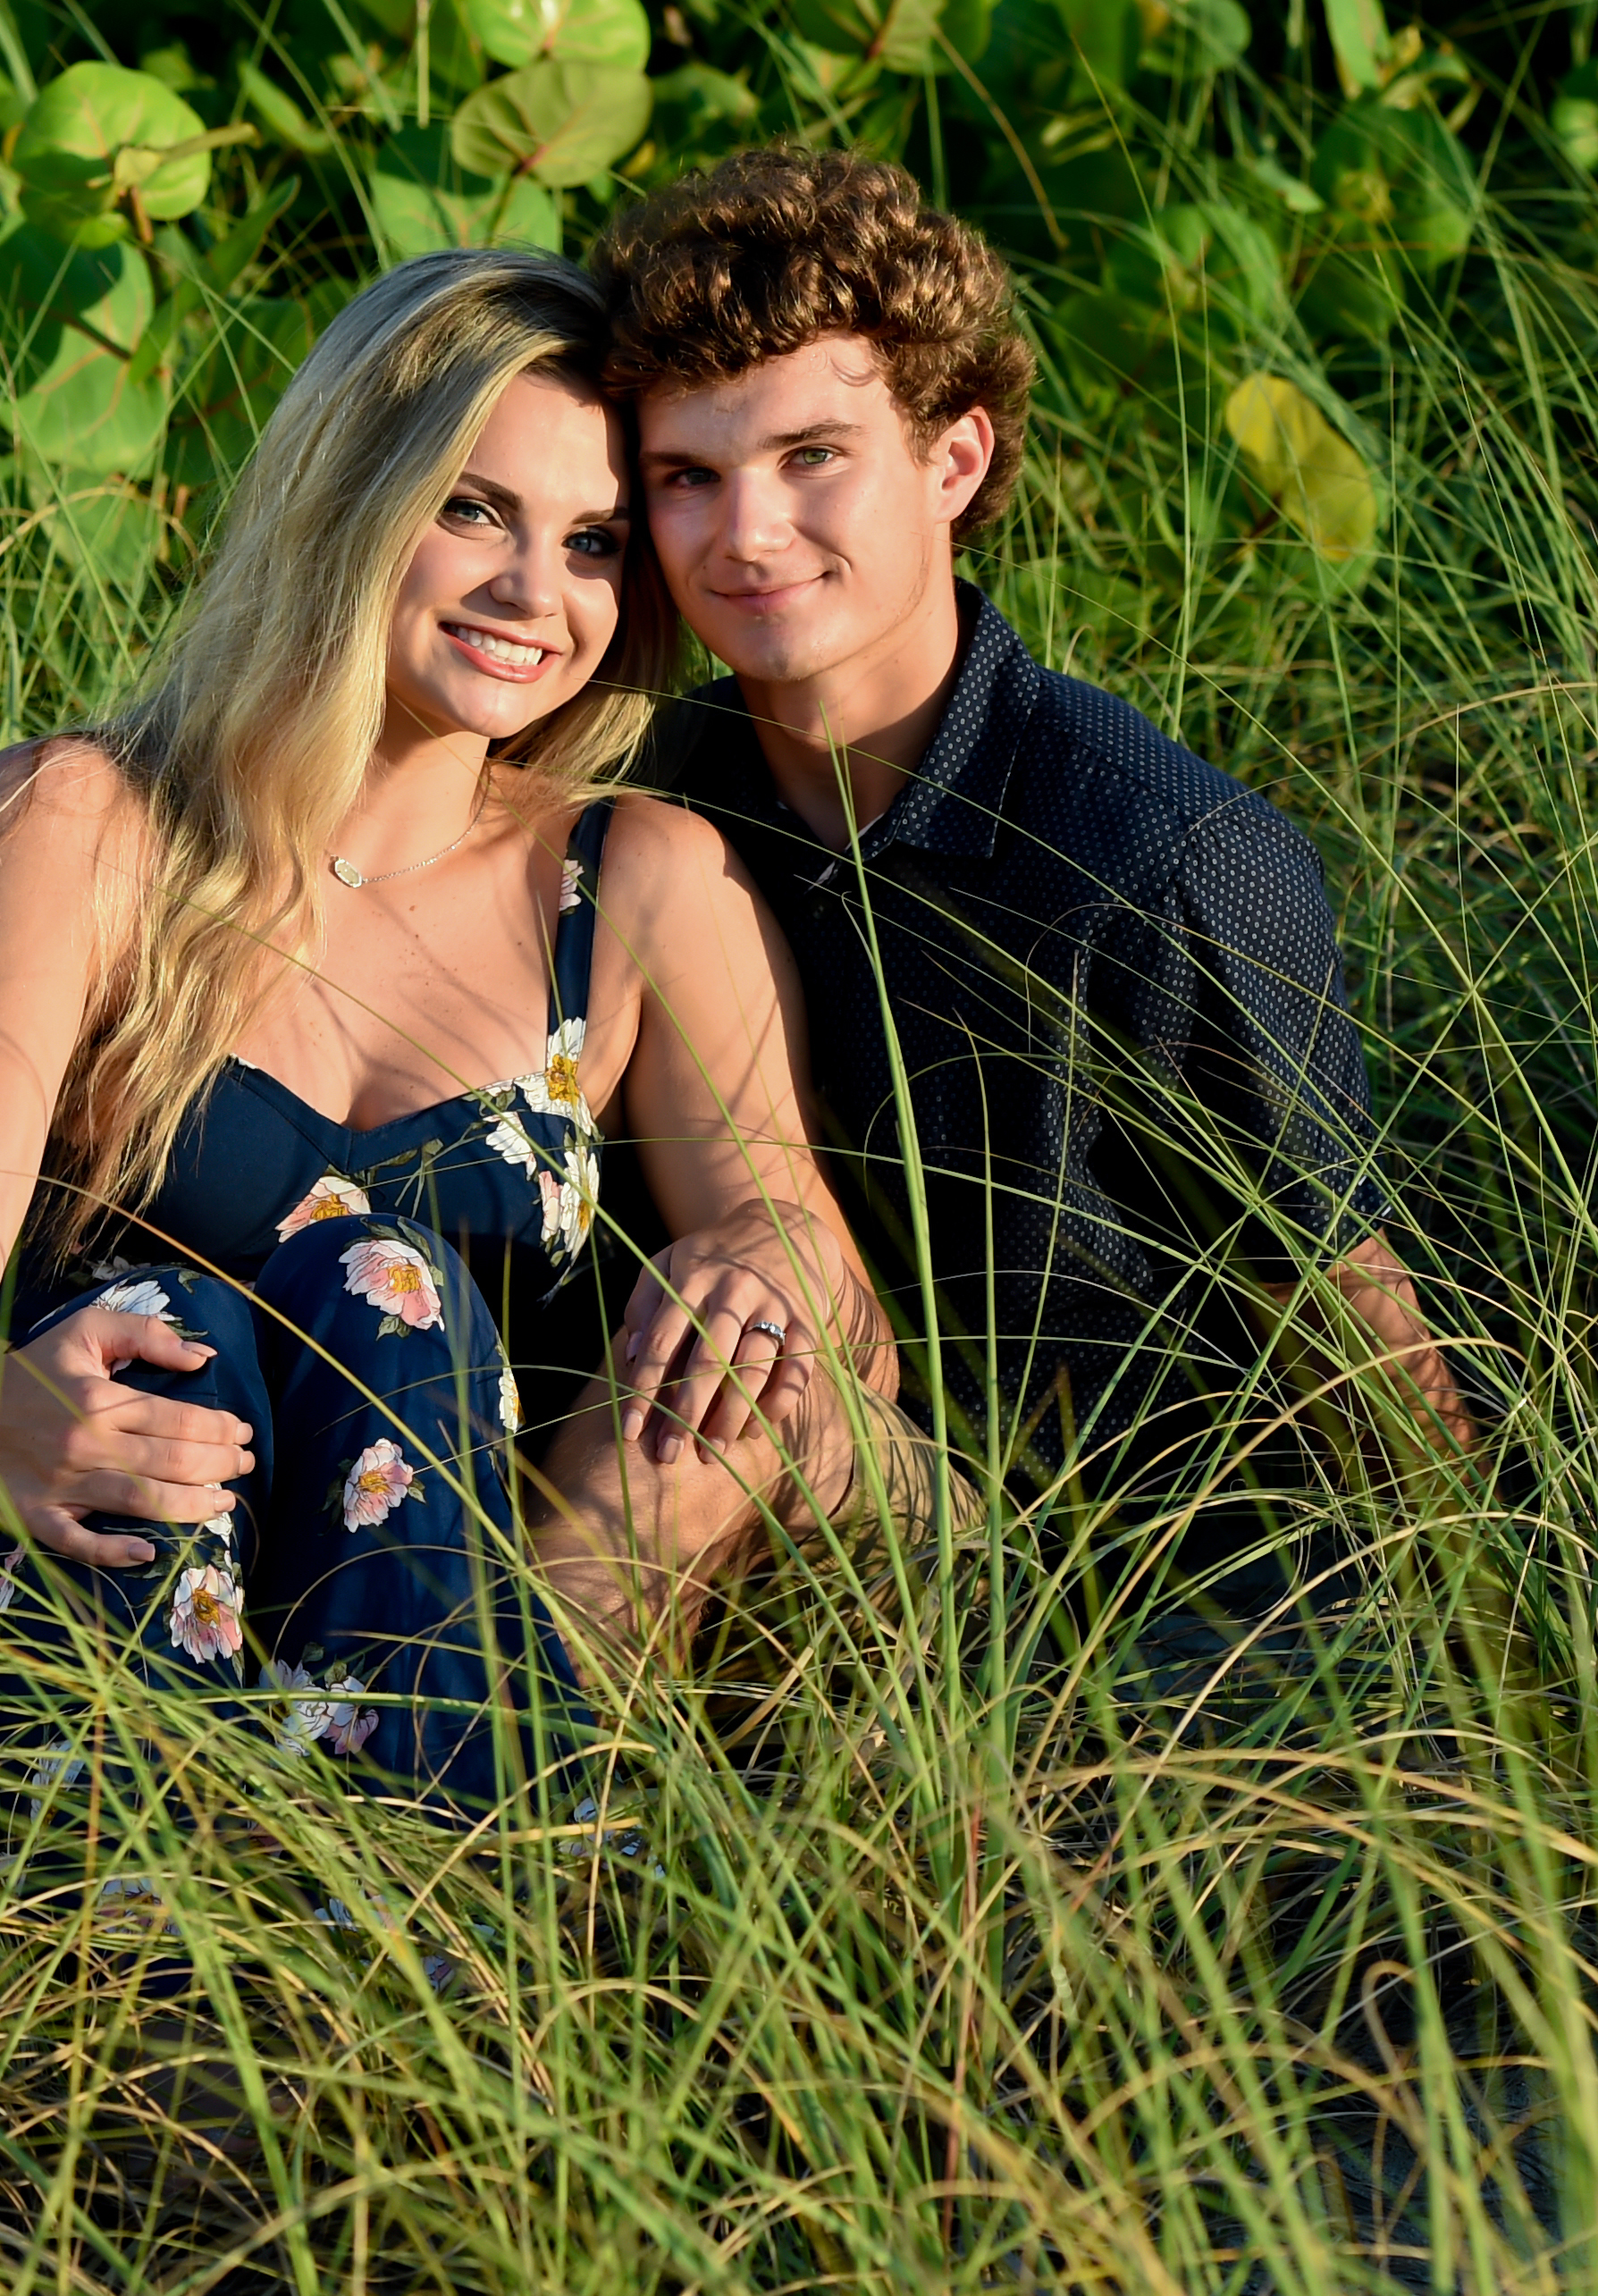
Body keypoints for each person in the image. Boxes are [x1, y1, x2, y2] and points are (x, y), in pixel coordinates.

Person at [0, 245, 898, 1812]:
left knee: (399, 1290)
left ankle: (407, 1864)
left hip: (406, 1628)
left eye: (596, 541)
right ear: (350, 496)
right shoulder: (81, 825)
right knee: (183, 1343)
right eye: (471, 509)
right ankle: (384, 1881)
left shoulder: (634, 887)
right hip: (55, 1570)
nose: (533, 593)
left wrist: (746, 1257)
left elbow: (807, 1265)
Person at [580, 150, 1467, 1549]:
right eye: (689, 476)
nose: (747, 536)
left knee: (705, 1413)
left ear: (955, 458)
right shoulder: (645, 797)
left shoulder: (1166, 855)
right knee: (695, 1398)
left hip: (1135, 1590)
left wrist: (1495, 1660)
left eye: (813, 456)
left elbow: (1345, 1296)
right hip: (769, 1480)